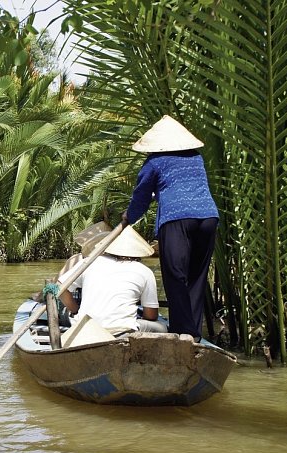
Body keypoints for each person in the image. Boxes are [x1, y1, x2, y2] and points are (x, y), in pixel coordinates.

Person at [122, 115, 219, 340]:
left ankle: (182, 333)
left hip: (177, 220)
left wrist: (129, 216)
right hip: (208, 218)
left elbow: (141, 197)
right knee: (196, 278)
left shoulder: (154, 162)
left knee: (175, 276)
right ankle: (193, 335)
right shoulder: (196, 158)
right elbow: (182, 186)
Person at [58, 223, 167, 336]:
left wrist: (75, 310)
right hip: (121, 331)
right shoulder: (145, 271)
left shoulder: (90, 262)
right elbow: (151, 316)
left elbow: (59, 288)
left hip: (85, 327)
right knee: (162, 327)